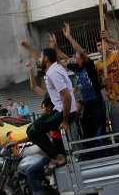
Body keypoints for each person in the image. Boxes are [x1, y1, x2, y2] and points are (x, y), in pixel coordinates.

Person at [20, 40, 77, 174]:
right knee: (34, 129)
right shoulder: (54, 69)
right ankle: (57, 155)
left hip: (63, 111)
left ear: (46, 59)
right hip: (63, 110)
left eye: (40, 57)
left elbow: (67, 97)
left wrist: (64, 120)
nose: (37, 59)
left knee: (32, 130)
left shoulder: (53, 73)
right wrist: (28, 47)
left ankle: (58, 157)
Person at [60, 23, 106, 141]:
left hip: (97, 103)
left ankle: (105, 153)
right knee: (87, 132)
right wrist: (54, 48)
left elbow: (80, 53)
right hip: (87, 105)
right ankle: (92, 155)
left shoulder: (89, 65)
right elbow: (62, 62)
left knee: (99, 134)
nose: (74, 58)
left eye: (76, 56)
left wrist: (69, 37)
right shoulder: (75, 68)